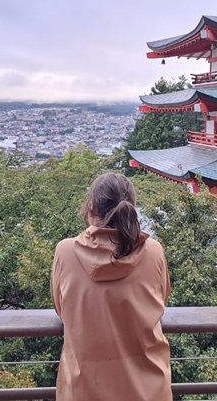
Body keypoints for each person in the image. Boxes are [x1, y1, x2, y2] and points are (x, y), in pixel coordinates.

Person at [51, 172, 172, 401]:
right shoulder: (153, 250)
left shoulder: (65, 252)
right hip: (148, 389)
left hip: (83, 387)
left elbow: (62, 309)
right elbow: (160, 300)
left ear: (92, 208)